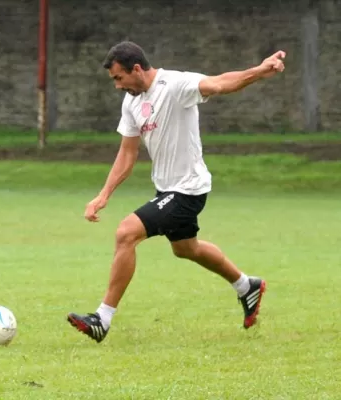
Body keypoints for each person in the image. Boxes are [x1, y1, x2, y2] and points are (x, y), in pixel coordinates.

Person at [67, 41, 286, 343]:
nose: (117, 86)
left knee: (126, 233)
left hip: (188, 188)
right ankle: (246, 286)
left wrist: (259, 72)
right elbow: (127, 154)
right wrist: (104, 195)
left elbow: (220, 83)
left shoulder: (175, 85)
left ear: (137, 69)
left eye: (119, 78)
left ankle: (102, 318)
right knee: (185, 248)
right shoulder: (131, 102)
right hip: (167, 189)